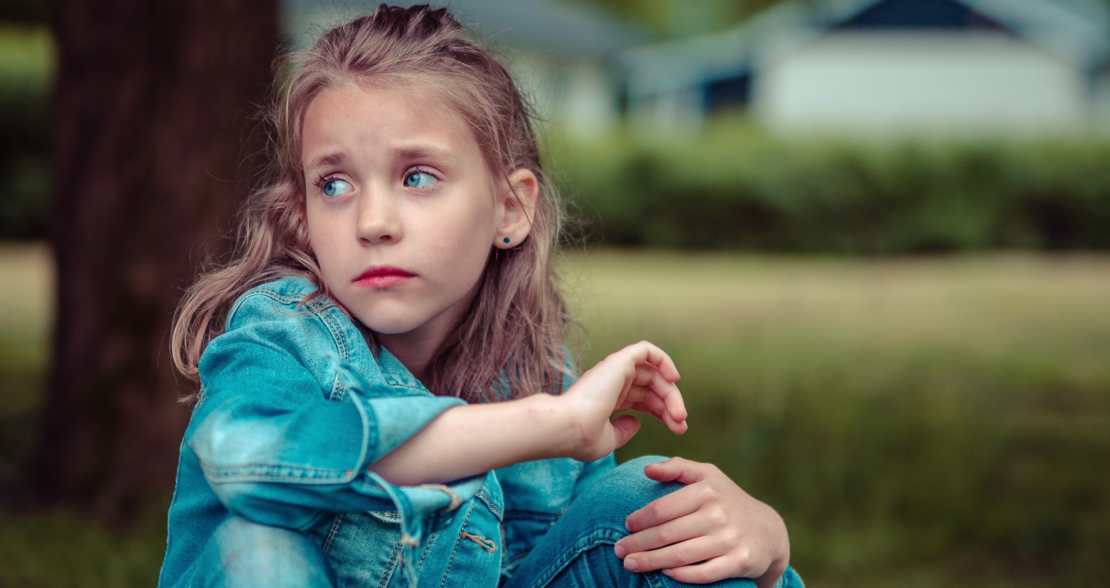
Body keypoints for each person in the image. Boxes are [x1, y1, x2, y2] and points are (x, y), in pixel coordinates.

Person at [158, 5, 802, 588]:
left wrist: (770, 546)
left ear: (511, 208)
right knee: (258, 549)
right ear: (301, 217)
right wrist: (549, 428)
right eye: (334, 185)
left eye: (417, 176)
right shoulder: (281, 333)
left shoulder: (532, 376)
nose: (372, 220)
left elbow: (600, 543)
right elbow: (244, 462)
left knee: (655, 510)